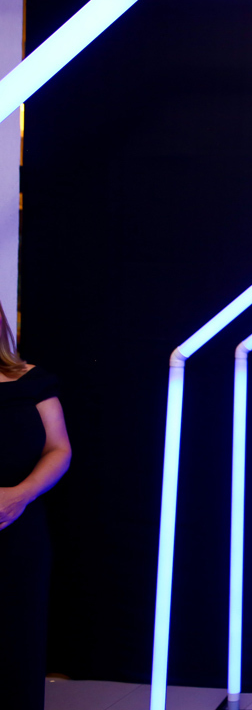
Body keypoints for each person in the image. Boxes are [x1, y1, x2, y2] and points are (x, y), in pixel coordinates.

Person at [0, 301, 72, 710]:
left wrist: (20, 495)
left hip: (18, 529)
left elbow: (58, 449)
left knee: (16, 641)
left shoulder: (31, 380)